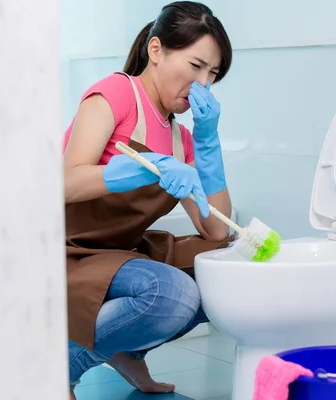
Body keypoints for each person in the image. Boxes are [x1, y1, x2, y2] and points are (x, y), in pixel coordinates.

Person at [62, 2, 234, 398]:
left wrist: (208, 142)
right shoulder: (115, 94)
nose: (202, 84)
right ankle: (63, 364)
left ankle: (125, 351)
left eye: (212, 74)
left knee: (224, 270)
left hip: (121, 255)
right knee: (173, 293)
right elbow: (66, 183)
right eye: (196, 66)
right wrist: (141, 167)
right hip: (70, 251)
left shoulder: (182, 140)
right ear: (156, 50)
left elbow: (216, 228)